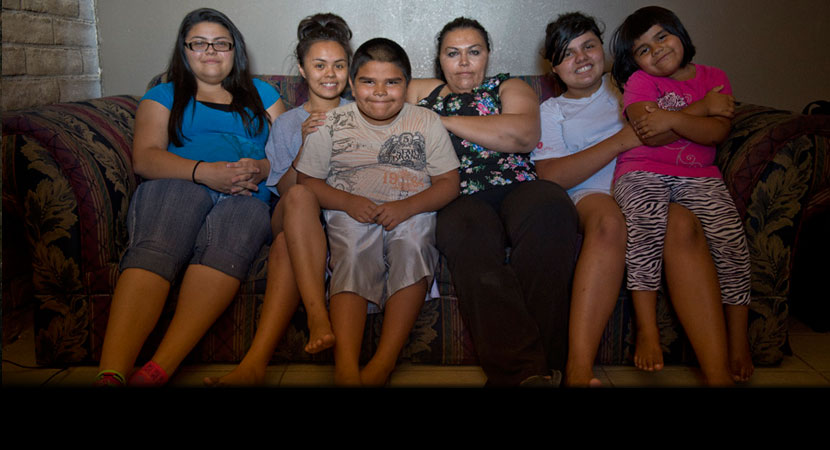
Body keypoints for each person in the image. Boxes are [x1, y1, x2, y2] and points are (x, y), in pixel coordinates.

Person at [534, 12, 737, 386]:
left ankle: (718, 375)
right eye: (566, 53)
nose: (580, 58)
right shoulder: (551, 110)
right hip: (593, 194)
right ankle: (578, 370)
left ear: (605, 50)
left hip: (652, 183)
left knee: (681, 224)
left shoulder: (635, 85)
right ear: (554, 68)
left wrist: (700, 109)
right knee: (610, 221)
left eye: (589, 46)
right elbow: (551, 176)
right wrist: (628, 137)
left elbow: (681, 110)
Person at [94, 8, 285, 387]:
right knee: (158, 242)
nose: (210, 51)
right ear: (184, 50)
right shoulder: (163, 95)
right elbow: (146, 157)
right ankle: (111, 374)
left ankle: (157, 370)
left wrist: (262, 170)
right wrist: (205, 172)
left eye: (221, 43)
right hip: (180, 183)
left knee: (230, 240)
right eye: (199, 43)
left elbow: (290, 152)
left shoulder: (263, 93)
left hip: (247, 196)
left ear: (235, 51)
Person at [408, 17, 579, 387]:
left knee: (552, 212)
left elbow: (523, 135)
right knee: (467, 235)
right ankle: (528, 373)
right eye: (453, 54)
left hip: (520, 185)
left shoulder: (507, 85)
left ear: (487, 55)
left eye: (474, 52)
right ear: (440, 61)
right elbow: (373, 88)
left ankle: (540, 368)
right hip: (460, 193)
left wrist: (446, 122)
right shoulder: (423, 93)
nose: (464, 62)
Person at [296, 37, 460, 386]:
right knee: (353, 251)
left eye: (392, 82)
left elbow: (448, 182)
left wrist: (407, 207)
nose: (380, 92)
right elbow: (307, 182)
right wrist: (347, 202)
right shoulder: (330, 123)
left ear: (407, 85)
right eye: (369, 82)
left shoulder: (426, 120)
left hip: (411, 208)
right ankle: (346, 369)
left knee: (413, 245)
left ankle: (382, 364)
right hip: (349, 209)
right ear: (353, 86)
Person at [205, 13, 353, 387]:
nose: (330, 73)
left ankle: (253, 366)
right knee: (301, 195)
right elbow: (284, 190)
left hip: (336, 218)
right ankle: (318, 315)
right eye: (319, 65)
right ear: (302, 70)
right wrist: (307, 144)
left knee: (289, 244)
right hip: (292, 208)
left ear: (350, 70)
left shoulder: (362, 113)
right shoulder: (288, 123)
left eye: (339, 65)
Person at [610, 5, 754, 382]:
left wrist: (671, 117)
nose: (655, 50)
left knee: (732, 243)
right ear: (635, 61)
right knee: (646, 228)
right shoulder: (640, 83)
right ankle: (647, 329)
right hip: (641, 169)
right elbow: (649, 132)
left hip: (700, 174)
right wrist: (702, 109)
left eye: (661, 37)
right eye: (643, 49)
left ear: (680, 35)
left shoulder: (714, 76)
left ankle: (738, 342)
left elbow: (716, 134)